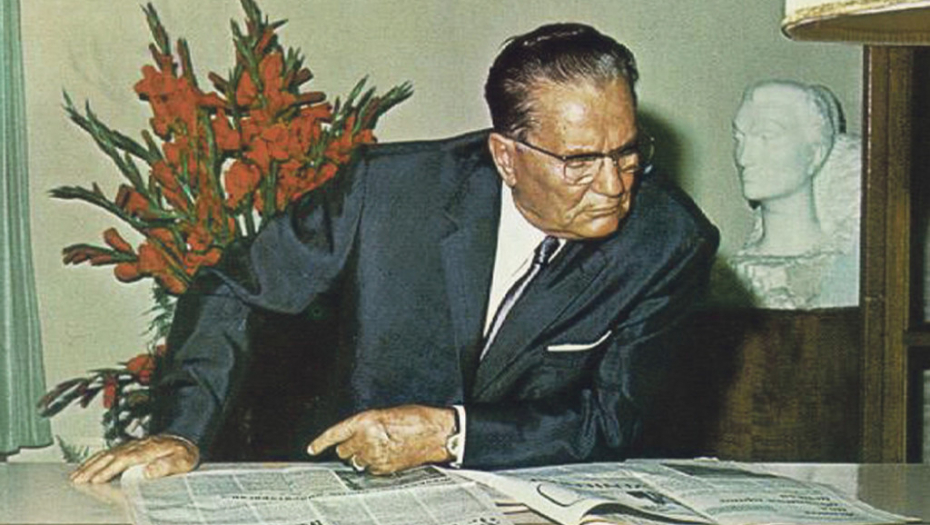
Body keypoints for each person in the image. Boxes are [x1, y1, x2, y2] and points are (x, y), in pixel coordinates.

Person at [71, 22, 718, 483]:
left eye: (627, 152)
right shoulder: (387, 194)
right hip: (349, 486)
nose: (614, 186)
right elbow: (235, 288)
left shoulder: (669, 241)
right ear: (505, 157)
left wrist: (451, 435)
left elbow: (611, 418)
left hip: (535, 491)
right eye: (579, 161)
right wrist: (182, 429)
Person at [730, 80, 860, 309]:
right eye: (739, 137)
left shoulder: (841, 268)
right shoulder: (726, 274)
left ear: (815, 154)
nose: (744, 157)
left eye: (767, 136)